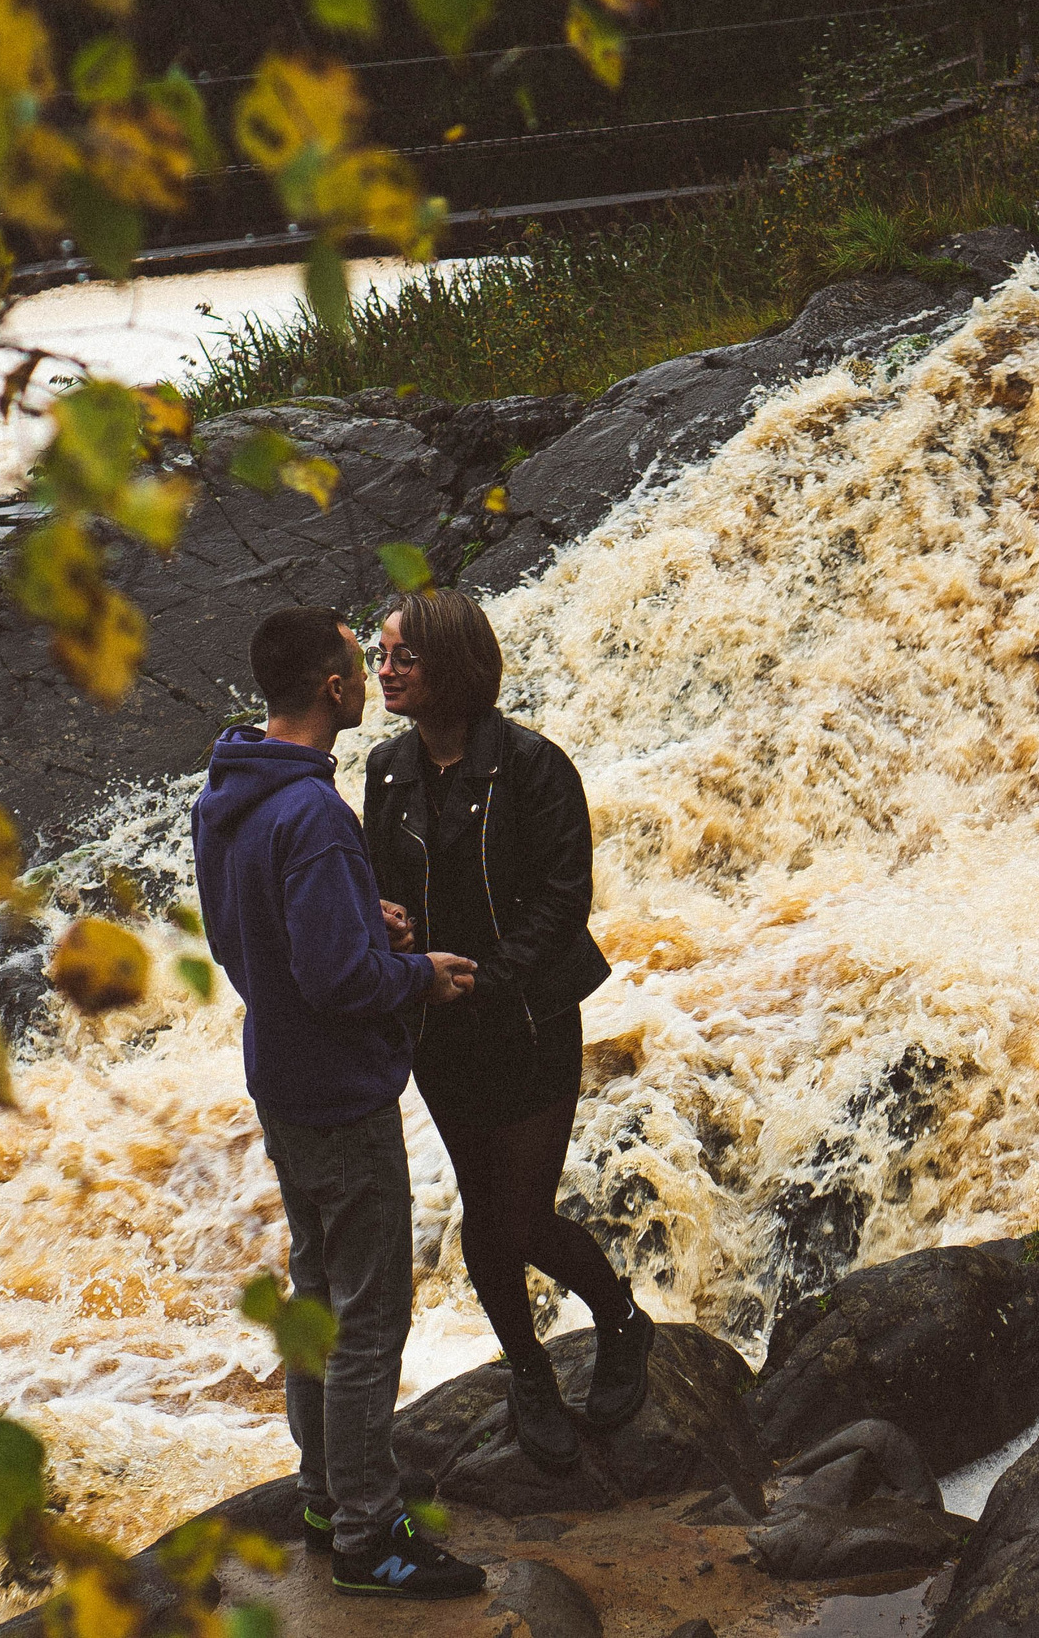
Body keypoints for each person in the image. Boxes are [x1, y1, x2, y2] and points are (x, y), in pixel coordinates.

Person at [192, 606, 487, 1601]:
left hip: (278, 1075)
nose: (373, 678)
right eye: (362, 665)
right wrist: (413, 975)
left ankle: (323, 1498)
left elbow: (248, 936)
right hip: (337, 1089)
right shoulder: (314, 812)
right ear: (331, 687)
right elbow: (337, 982)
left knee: (317, 1301)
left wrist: (360, 920)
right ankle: (367, 1537)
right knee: (367, 1318)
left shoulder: (229, 791)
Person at [361, 589, 652, 1474]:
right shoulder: (385, 770)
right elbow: (378, 880)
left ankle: (620, 1318)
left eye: (403, 655)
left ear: (452, 661)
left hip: (526, 1021)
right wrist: (387, 926)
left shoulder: (532, 766)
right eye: (380, 655)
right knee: (486, 1219)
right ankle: (527, 1367)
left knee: (519, 1216)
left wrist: (484, 978)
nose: (386, 669)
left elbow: (567, 898)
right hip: (439, 1033)